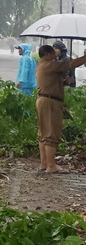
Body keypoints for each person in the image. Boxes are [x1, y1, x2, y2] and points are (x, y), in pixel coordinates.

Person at [35, 45, 86, 175]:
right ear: (46, 54)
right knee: (51, 133)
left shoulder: (42, 66)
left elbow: (50, 83)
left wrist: (64, 82)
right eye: (52, 54)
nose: (55, 56)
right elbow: (71, 64)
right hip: (50, 102)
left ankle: (44, 163)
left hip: (44, 101)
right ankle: (51, 166)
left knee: (43, 134)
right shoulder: (49, 65)